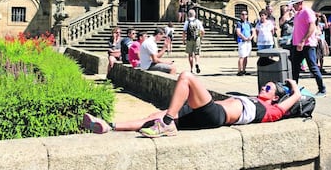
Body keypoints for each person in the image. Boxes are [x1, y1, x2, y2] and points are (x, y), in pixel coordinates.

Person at [82, 71, 302, 137]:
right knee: (154, 116)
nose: (264, 87)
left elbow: (295, 98)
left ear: (275, 97)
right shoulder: (254, 99)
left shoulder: (272, 110)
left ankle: (168, 122)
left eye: (269, 88)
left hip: (216, 115)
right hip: (203, 113)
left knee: (186, 77)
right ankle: (109, 125)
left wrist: (293, 87)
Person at [289, 0, 326, 96]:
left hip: (307, 44)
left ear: (300, 3)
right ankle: (294, 88)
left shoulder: (307, 12)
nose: (293, 7)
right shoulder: (297, 13)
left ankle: (322, 89)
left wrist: (303, 41)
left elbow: (312, 27)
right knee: (295, 67)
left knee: (312, 66)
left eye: (294, 4)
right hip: (297, 44)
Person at [182, 9, 204, 74]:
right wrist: (200, 37)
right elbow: (203, 31)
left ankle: (191, 69)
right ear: (195, 14)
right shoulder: (198, 21)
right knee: (197, 53)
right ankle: (197, 63)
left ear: (188, 15)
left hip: (189, 39)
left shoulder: (187, 22)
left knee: (190, 55)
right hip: (197, 38)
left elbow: (184, 32)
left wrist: (183, 40)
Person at [235, 10, 255, 76]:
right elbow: (238, 32)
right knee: (242, 56)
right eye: (242, 14)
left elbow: (253, 31)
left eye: (245, 14)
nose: (244, 16)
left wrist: (251, 37)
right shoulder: (239, 23)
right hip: (242, 42)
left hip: (248, 42)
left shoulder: (249, 23)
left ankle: (244, 70)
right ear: (241, 16)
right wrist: (244, 38)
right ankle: (239, 70)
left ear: (247, 15)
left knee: (246, 56)